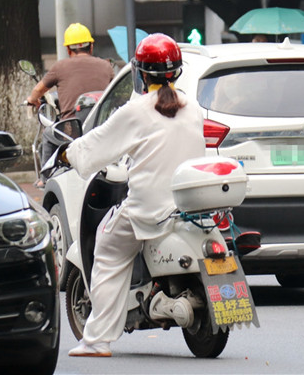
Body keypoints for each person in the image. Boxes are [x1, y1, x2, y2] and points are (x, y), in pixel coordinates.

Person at [64, 33, 205, 357]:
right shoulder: (193, 108)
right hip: (188, 207)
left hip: (148, 209)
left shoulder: (135, 110)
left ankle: (97, 339)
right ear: (177, 71)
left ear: (141, 73)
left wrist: (69, 154)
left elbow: (97, 143)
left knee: (108, 247)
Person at [26, 22, 114, 188]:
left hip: (71, 131)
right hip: (102, 128)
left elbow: (38, 90)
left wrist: (33, 100)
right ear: (91, 46)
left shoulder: (60, 67)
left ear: (68, 50)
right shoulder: (106, 66)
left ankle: (45, 178)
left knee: (47, 134)